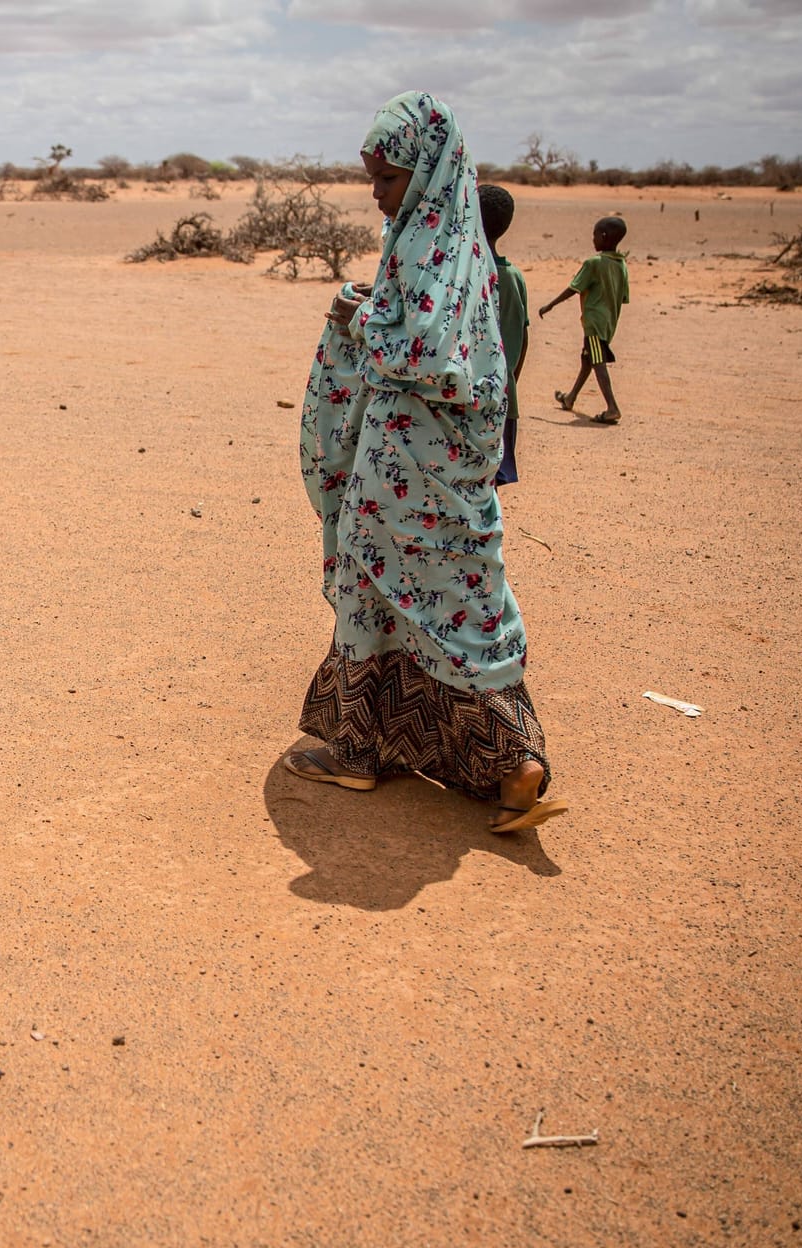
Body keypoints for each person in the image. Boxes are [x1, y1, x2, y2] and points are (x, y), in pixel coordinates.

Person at [291, 90, 567, 834]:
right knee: (460, 604)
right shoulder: (458, 250)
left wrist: (361, 320)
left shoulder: (429, 250)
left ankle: (357, 749)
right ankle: (513, 762)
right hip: (443, 473)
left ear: (428, 171)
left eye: (387, 180)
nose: (378, 196)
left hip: (406, 471)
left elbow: (433, 356)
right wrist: (374, 304)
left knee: (375, 589)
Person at [540, 216, 629, 425]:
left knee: (597, 362)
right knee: (587, 359)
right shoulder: (621, 264)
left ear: (604, 237)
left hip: (594, 323)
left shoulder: (594, 263)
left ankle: (612, 407)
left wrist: (551, 304)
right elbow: (623, 297)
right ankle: (570, 397)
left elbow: (574, 287)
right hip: (608, 323)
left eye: (595, 235)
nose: (593, 239)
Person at [479, 184, 528, 485]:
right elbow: (524, 340)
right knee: (492, 480)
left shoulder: (471, 276)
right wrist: (510, 381)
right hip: (505, 393)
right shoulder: (515, 277)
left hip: (470, 397)